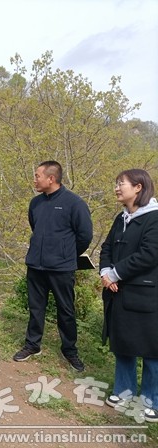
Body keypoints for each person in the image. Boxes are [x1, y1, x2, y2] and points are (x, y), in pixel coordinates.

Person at [13, 161, 93, 373]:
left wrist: (66, 254)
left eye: (37, 176)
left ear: (51, 178)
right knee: (35, 308)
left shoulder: (74, 203)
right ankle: (32, 345)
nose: (34, 180)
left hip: (62, 268)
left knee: (66, 310)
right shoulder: (35, 203)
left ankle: (70, 350)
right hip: (36, 266)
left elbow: (85, 235)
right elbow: (35, 227)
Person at [99, 169, 158, 423]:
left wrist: (115, 273)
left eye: (120, 183)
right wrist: (105, 272)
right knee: (123, 343)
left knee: (152, 349)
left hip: (147, 295)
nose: (116, 188)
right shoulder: (121, 217)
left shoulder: (154, 218)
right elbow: (107, 247)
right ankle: (124, 391)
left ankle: (153, 400)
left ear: (138, 187)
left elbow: (149, 254)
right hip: (119, 292)